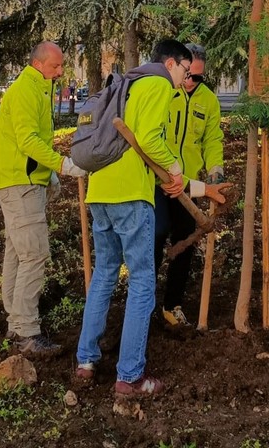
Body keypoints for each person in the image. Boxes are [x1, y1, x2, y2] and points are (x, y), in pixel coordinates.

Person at [74, 40, 193, 398]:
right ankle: (130, 377)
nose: (185, 79)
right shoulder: (157, 84)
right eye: (186, 71)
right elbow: (150, 140)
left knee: (105, 275)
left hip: (100, 192)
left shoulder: (128, 82)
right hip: (130, 195)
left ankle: (85, 362)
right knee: (142, 281)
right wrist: (176, 169)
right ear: (170, 64)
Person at [0, 41, 86, 359]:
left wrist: (49, 175)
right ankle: (26, 332)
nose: (60, 72)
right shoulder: (26, 91)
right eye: (56, 66)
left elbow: (35, 139)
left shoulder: (35, 88)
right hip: (21, 184)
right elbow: (28, 140)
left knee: (18, 253)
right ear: (38, 63)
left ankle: (16, 323)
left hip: (22, 180)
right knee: (34, 255)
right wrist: (61, 164)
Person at [154, 43, 225, 327]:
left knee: (184, 246)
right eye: (188, 75)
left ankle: (172, 306)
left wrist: (216, 169)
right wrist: (166, 174)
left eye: (198, 77)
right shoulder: (164, 93)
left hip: (189, 187)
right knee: (155, 239)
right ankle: (144, 302)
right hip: (160, 184)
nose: (191, 81)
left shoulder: (208, 100)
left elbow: (212, 139)